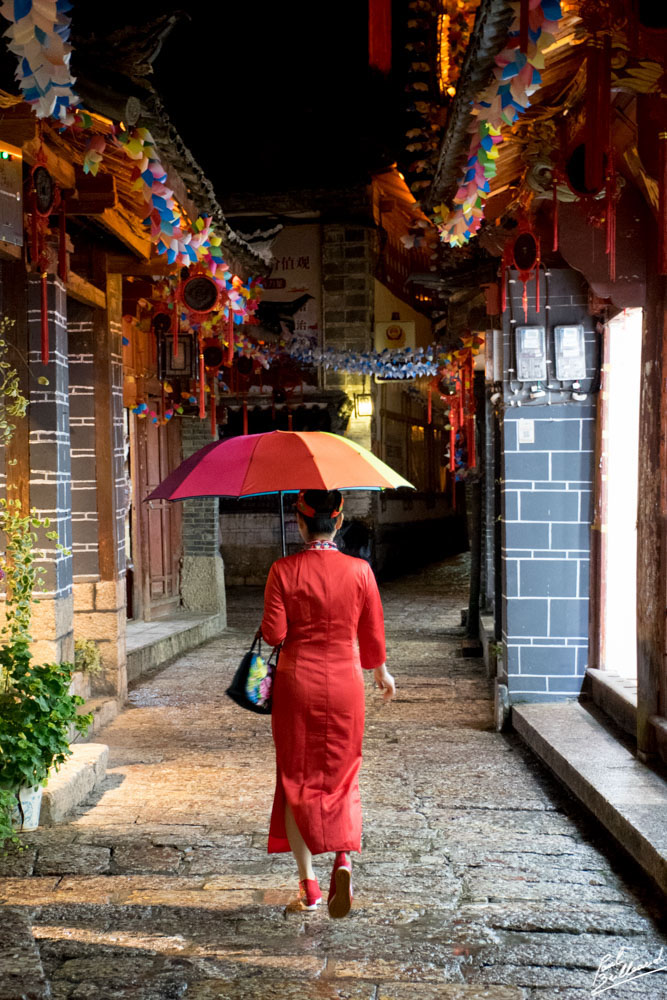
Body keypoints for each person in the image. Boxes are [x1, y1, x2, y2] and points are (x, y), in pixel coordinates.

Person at [260, 488, 395, 918]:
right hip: (344, 684)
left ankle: (310, 886)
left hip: (296, 684)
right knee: (342, 774)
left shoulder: (283, 570)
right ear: (338, 522)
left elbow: (274, 635)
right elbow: (372, 633)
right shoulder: (360, 571)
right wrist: (381, 673)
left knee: (295, 779)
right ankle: (343, 859)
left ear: (300, 523)